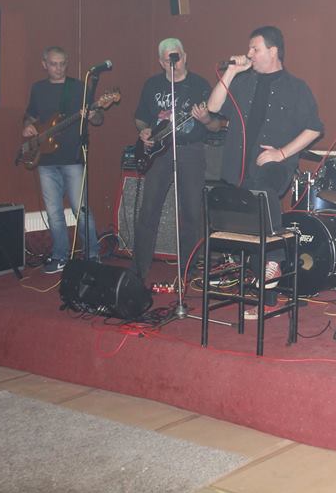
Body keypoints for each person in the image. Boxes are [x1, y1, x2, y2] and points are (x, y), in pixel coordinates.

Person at [206, 26, 323, 316]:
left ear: (273, 51)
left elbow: (314, 129)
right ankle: (264, 295)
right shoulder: (243, 82)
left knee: (262, 191)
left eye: (254, 49)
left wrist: (280, 153)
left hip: (275, 166)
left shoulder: (296, 88)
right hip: (239, 166)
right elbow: (213, 106)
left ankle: (274, 261)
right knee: (248, 223)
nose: (249, 54)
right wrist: (231, 72)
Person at [132, 38, 223, 280]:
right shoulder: (152, 85)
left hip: (191, 151)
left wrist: (205, 119)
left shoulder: (200, 86)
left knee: (192, 211)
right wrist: (144, 131)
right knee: (149, 210)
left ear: (185, 56)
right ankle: (138, 269)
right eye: (169, 59)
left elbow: (216, 126)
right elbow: (140, 117)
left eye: (178, 57)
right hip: (158, 153)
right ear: (161, 62)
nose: (175, 62)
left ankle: (188, 269)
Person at [23, 47, 102, 273]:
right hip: (46, 160)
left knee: (81, 209)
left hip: (72, 158)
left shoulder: (78, 87)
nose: (58, 68)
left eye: (62, 64)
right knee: (54, 213)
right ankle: (60, 256)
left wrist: (94, 115)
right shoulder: (38, 89)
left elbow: (99, 119)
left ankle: (92, 254)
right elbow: (30, 115)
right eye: (53, 64)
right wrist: (27, 126)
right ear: (44, 64)